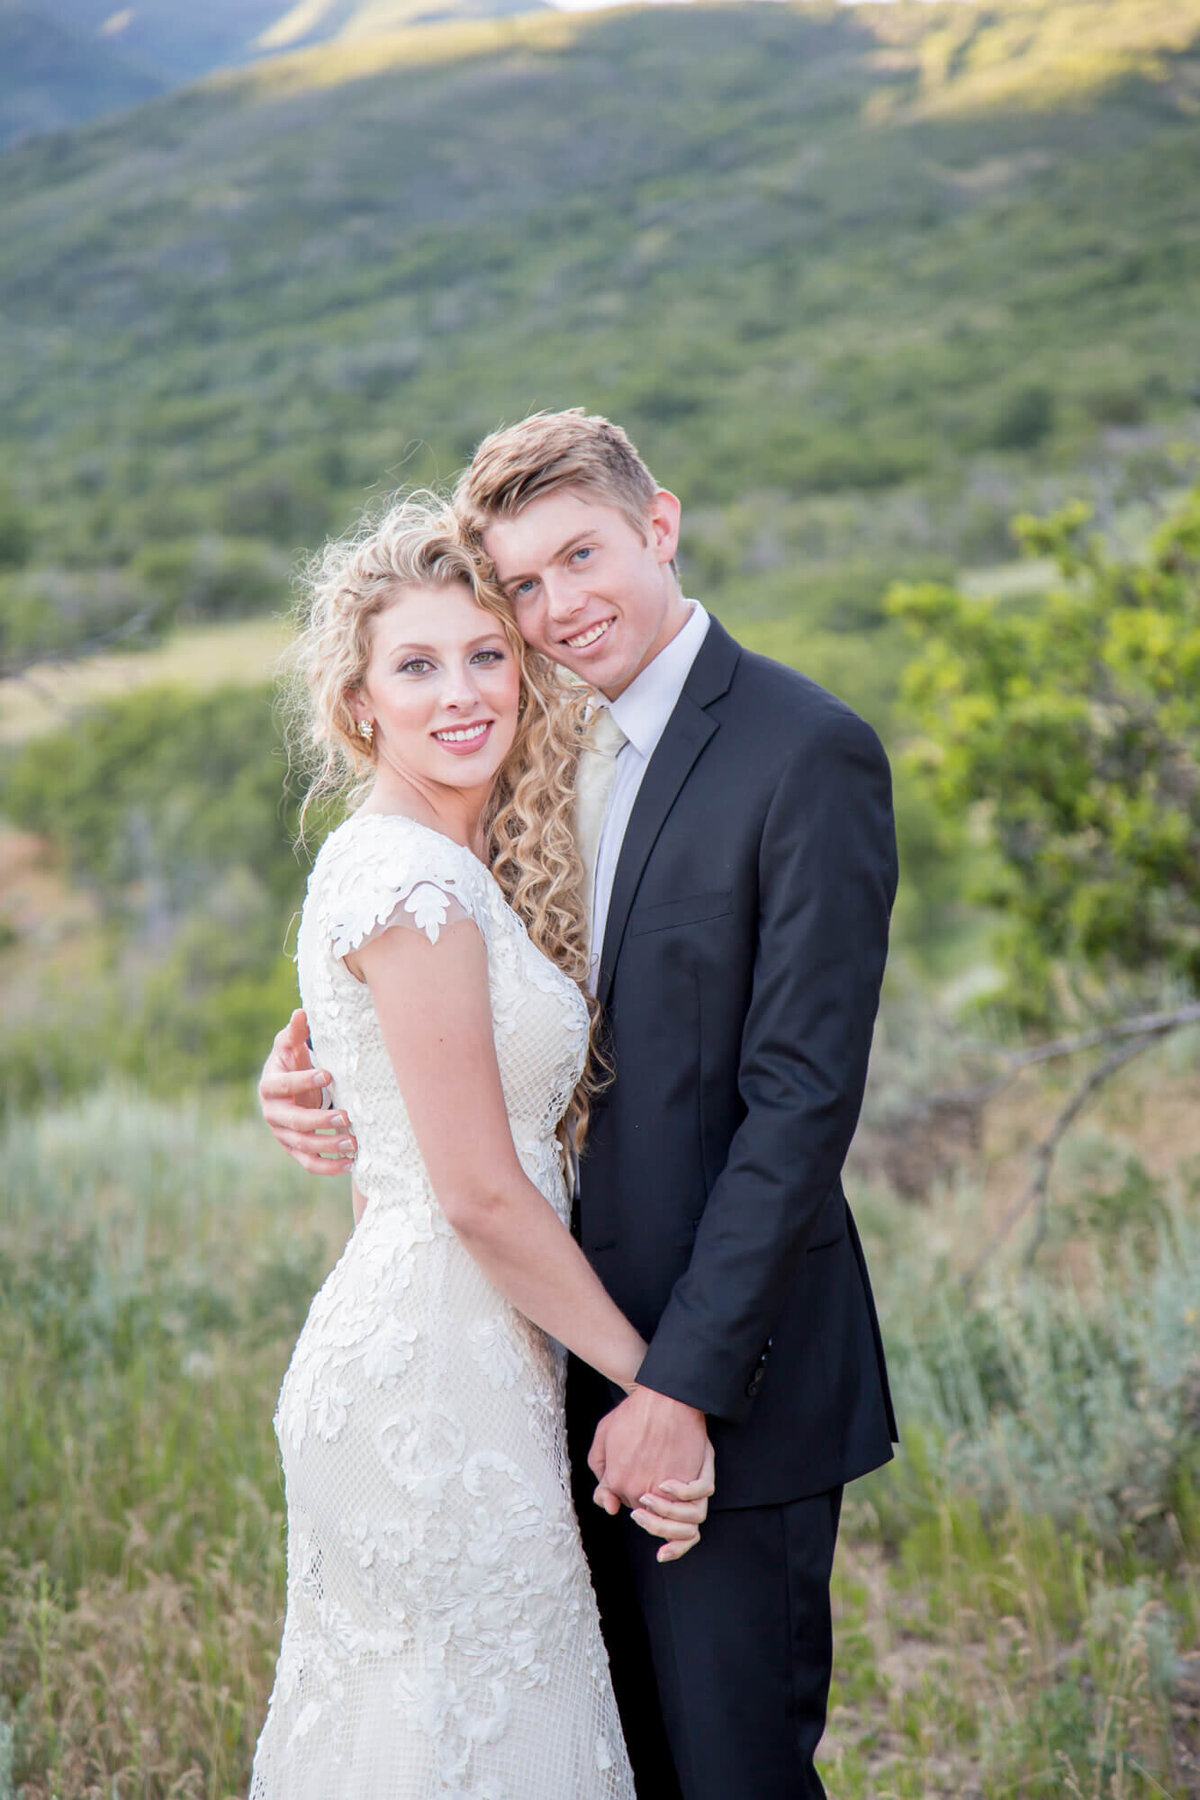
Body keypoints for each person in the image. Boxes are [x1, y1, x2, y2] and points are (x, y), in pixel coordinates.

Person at [260, 412, 899, 1800]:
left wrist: (673, 1386)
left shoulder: (804, 753)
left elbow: (798, 1102)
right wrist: (321, 1072)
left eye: (582, 559)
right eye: (524, 589)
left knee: (728, 1772)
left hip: (718, 1376)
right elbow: (458, 989)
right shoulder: (526, 755)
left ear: (658, 524)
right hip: (526, 1377)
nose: (556, 610)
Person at [248, 497, 714, 1800]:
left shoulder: (442, 864)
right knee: (464, 1737)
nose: (462, 693)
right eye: (416, 665)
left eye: (485, 654)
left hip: (472, 1361)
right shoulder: (413, 881)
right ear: (358, 705)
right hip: (428, 1386)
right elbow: (477, 1191)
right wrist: (652, 1383)